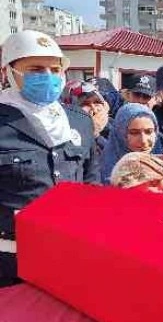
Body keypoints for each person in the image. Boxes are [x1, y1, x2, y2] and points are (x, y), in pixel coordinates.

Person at [0, 30, 98, 286]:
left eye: (55, 69)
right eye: (36, 68)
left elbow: (92, 184)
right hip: (10, 261)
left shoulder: (79, 121)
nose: (48, 76)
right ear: (9, 72)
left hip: (72, 254)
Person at [101, 103, 163, 184]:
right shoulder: (105, 173)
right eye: (134, 133)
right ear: (120, 134)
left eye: (149, 132)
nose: (143, 140)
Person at [61, 80, 111, 152]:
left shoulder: (113, 126)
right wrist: (91, 131)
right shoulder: (63, 131)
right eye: (85, 104)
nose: (94, 109)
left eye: (97, 102)